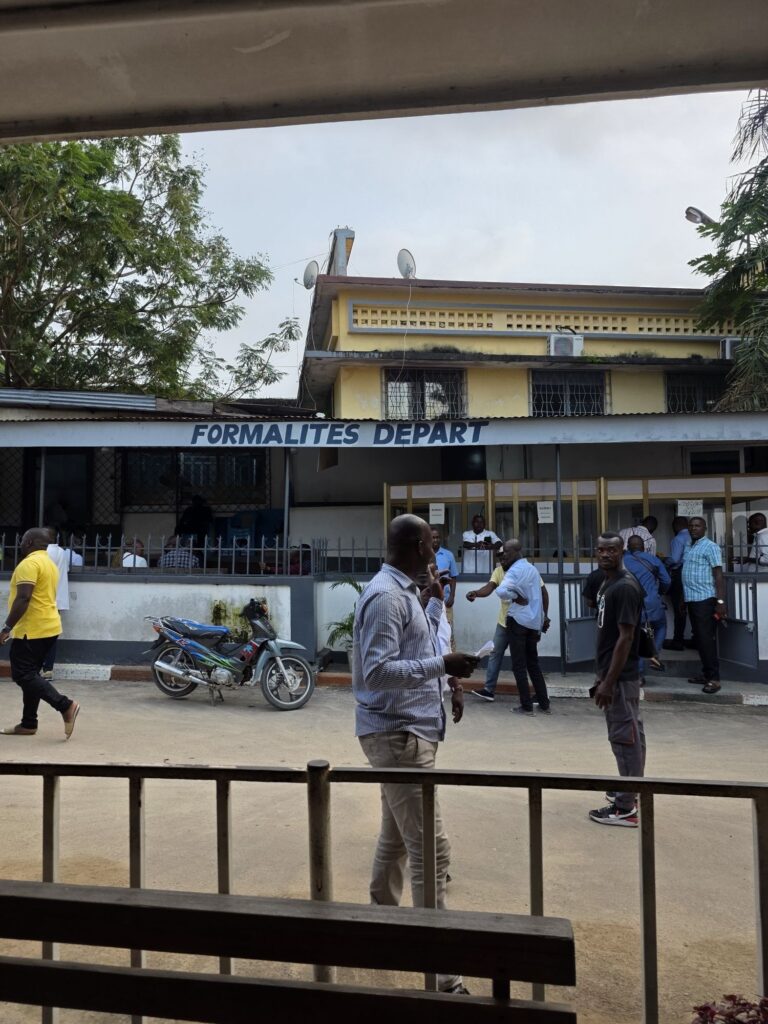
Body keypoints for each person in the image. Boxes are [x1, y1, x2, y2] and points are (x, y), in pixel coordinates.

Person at [352, 514, 478, 995]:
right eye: (432, 542)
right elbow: (378, 671)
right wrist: (440, 664)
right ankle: (445, 976)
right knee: (432, 849)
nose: (436, 550)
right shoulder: (386, 596)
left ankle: (381, 931)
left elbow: (411, 646)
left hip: (408, 732)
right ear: (417, 546)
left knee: (399, 837)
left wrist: (430, 606)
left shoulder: (405, 592)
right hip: (398, 734)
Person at [0, 528, 80, 739]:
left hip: (31, 630)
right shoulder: (49, 563)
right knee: (32, 675)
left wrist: (7, 627)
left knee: (23, 675)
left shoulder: (29, 564)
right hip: (49, 627)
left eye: (23, 539)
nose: (20, 542)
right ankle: (28, 724)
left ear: (30, 543)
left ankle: (65, 705)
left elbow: (24, 597)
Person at [588, 532, 645, 828]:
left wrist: (609, 682)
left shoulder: (624, 587)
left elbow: (626, 638)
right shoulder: (608, 582)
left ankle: (625, 807)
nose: (605, 554)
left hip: (620, 677)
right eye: (600, 549)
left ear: (621, 551)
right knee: (629, 733)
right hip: (613, 674)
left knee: (625, 736)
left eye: (611, 549)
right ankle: (630, 789)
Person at [466, 542, 550, 703]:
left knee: (525, 661)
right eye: (499, 556)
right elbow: (490, 588)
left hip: (523, 623)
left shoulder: (526, 570)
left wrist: (544, 617)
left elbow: (543, 594)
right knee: (496, 653)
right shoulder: (499, 572)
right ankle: (489, 690)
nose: (501, 558)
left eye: (504, 555)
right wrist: (476, 593)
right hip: (505, 622)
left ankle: (535, 699)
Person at [495, 540, 551, 715]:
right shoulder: (532, 569)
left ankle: (526, 706)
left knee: (519, 665)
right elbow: (540, 596)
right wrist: (542, 621)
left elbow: (500, 591)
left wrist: (516, 595)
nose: (504, 554)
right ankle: (544, 703)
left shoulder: (514, 571)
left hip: (518, 621)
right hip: (533, 622)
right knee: (533, 663)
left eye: (507, 552)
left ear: (517, 551)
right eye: (503, 552)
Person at [681, 517, 726, 694]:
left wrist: (720, 601)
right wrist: (683, 600)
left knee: (706, 640)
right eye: (691, 525)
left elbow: (718, 575)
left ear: (705, 528)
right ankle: (706, 674)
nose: (693, 528)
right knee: (699, 639)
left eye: (697, 525)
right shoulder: (689, 545)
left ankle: (714, 679)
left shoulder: (711, 546)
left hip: (705, 599)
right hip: (692, 599)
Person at [623, 535, 670, 676]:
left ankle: (639, 676)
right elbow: (666, 581)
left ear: (629, 548)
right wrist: (659, 593)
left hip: (631, 604)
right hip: (652, 602)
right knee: (661, 626)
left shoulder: (623, 561)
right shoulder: (654, 559)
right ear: (643, 547)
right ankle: (654, 654)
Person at [42, 529, 71, 681]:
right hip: (57, 600)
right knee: (52, 636)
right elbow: (65, 570)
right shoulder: (62, 552)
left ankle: (38, 666)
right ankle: (48, 670)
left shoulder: (42, 552)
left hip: (43, 599)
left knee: (38, 634)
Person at [662, 516, 692, 651]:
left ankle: (677, 640)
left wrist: (664, 561)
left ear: (675, 526)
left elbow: (674, 560)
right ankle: (695, 638)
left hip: (680, 575)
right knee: (693, 608)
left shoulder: (678, 538)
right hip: (694, 575)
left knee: (679, 608)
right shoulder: (694, 537)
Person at [430, 527, 458, 639]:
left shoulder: (448, 555)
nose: (435, 540)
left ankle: (451, 655)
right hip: (429, 600)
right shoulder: (423, 554)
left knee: (448, 633)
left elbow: (454, 576)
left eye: (437, 537)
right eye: (433, 538)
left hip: (445, 601)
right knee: (432, 633)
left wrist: (452, 596)